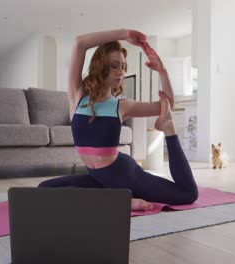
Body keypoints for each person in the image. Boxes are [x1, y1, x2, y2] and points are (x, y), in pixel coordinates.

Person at [38, 29, 198, 211]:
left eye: (123, 67)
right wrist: (124, 34)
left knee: (187, 194)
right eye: (114, 66)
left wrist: (162, 71)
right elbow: (79, 43)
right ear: (100, 66)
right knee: (45, 188)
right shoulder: (78, 96)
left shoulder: (122, 106)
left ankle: (167, 129)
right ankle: (118, 199)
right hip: (98, 177)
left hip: (125, 176)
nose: (120, 72)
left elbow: (167, 104)